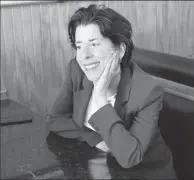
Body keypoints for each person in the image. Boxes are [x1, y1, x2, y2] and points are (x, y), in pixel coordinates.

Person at [46, 4, 177, 179]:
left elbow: (130, 157)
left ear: (120, 50)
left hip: (144, 174)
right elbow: (56, 119)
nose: (84, 56)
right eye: (79, 46)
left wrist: (100, 99)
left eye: (94, 44)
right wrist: (96, 139)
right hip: (102, 167)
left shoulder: (148, 91)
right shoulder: (75, 70)